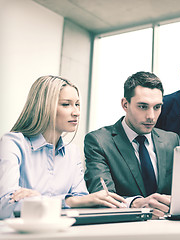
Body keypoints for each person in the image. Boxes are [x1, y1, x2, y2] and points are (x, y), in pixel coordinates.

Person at [0, 75, 126, 220]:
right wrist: (66, 201)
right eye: (66, 104)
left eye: (77, 104)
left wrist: (38, 199)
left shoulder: (72, 152)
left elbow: (82, 200)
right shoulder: (12, 143)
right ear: (44, 106)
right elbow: (4, 205)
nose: (76, 112)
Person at [84, 71, 180, 219]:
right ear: (125, 104)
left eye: (157, 107)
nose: (151, 116)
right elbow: (102, 197)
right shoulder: (98, 141)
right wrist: (135, 203)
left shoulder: (171, 140)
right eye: (143, 106)